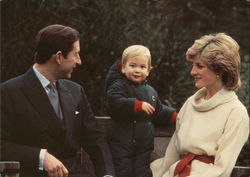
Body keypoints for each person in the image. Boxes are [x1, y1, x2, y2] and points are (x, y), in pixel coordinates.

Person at [1, 24, 115, 177]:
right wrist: (40, 157)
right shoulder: (8, 92)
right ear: (59, 57)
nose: (79, 61)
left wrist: (107, 174)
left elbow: (95, 139)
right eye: (76, 54)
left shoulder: (76, 91)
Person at [150, 33, 250, 177]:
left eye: (199, 66)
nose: (192, 72)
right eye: (193, 65)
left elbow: (221, 170)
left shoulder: (236, 112)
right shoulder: (190, 103)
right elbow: (171, 156)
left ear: (220, 70)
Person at [105, 45, 177, 177]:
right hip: (121, 140)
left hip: (144, 144)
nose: (137, 70)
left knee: (142, 171)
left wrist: (174, 116)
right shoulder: (118, 86)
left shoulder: (150, 91)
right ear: (123, 67)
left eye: (142, 67)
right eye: (132, 65)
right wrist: (135, 105)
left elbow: (158, 111)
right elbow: (114, 102)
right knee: (122, 170)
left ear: (148, 70)